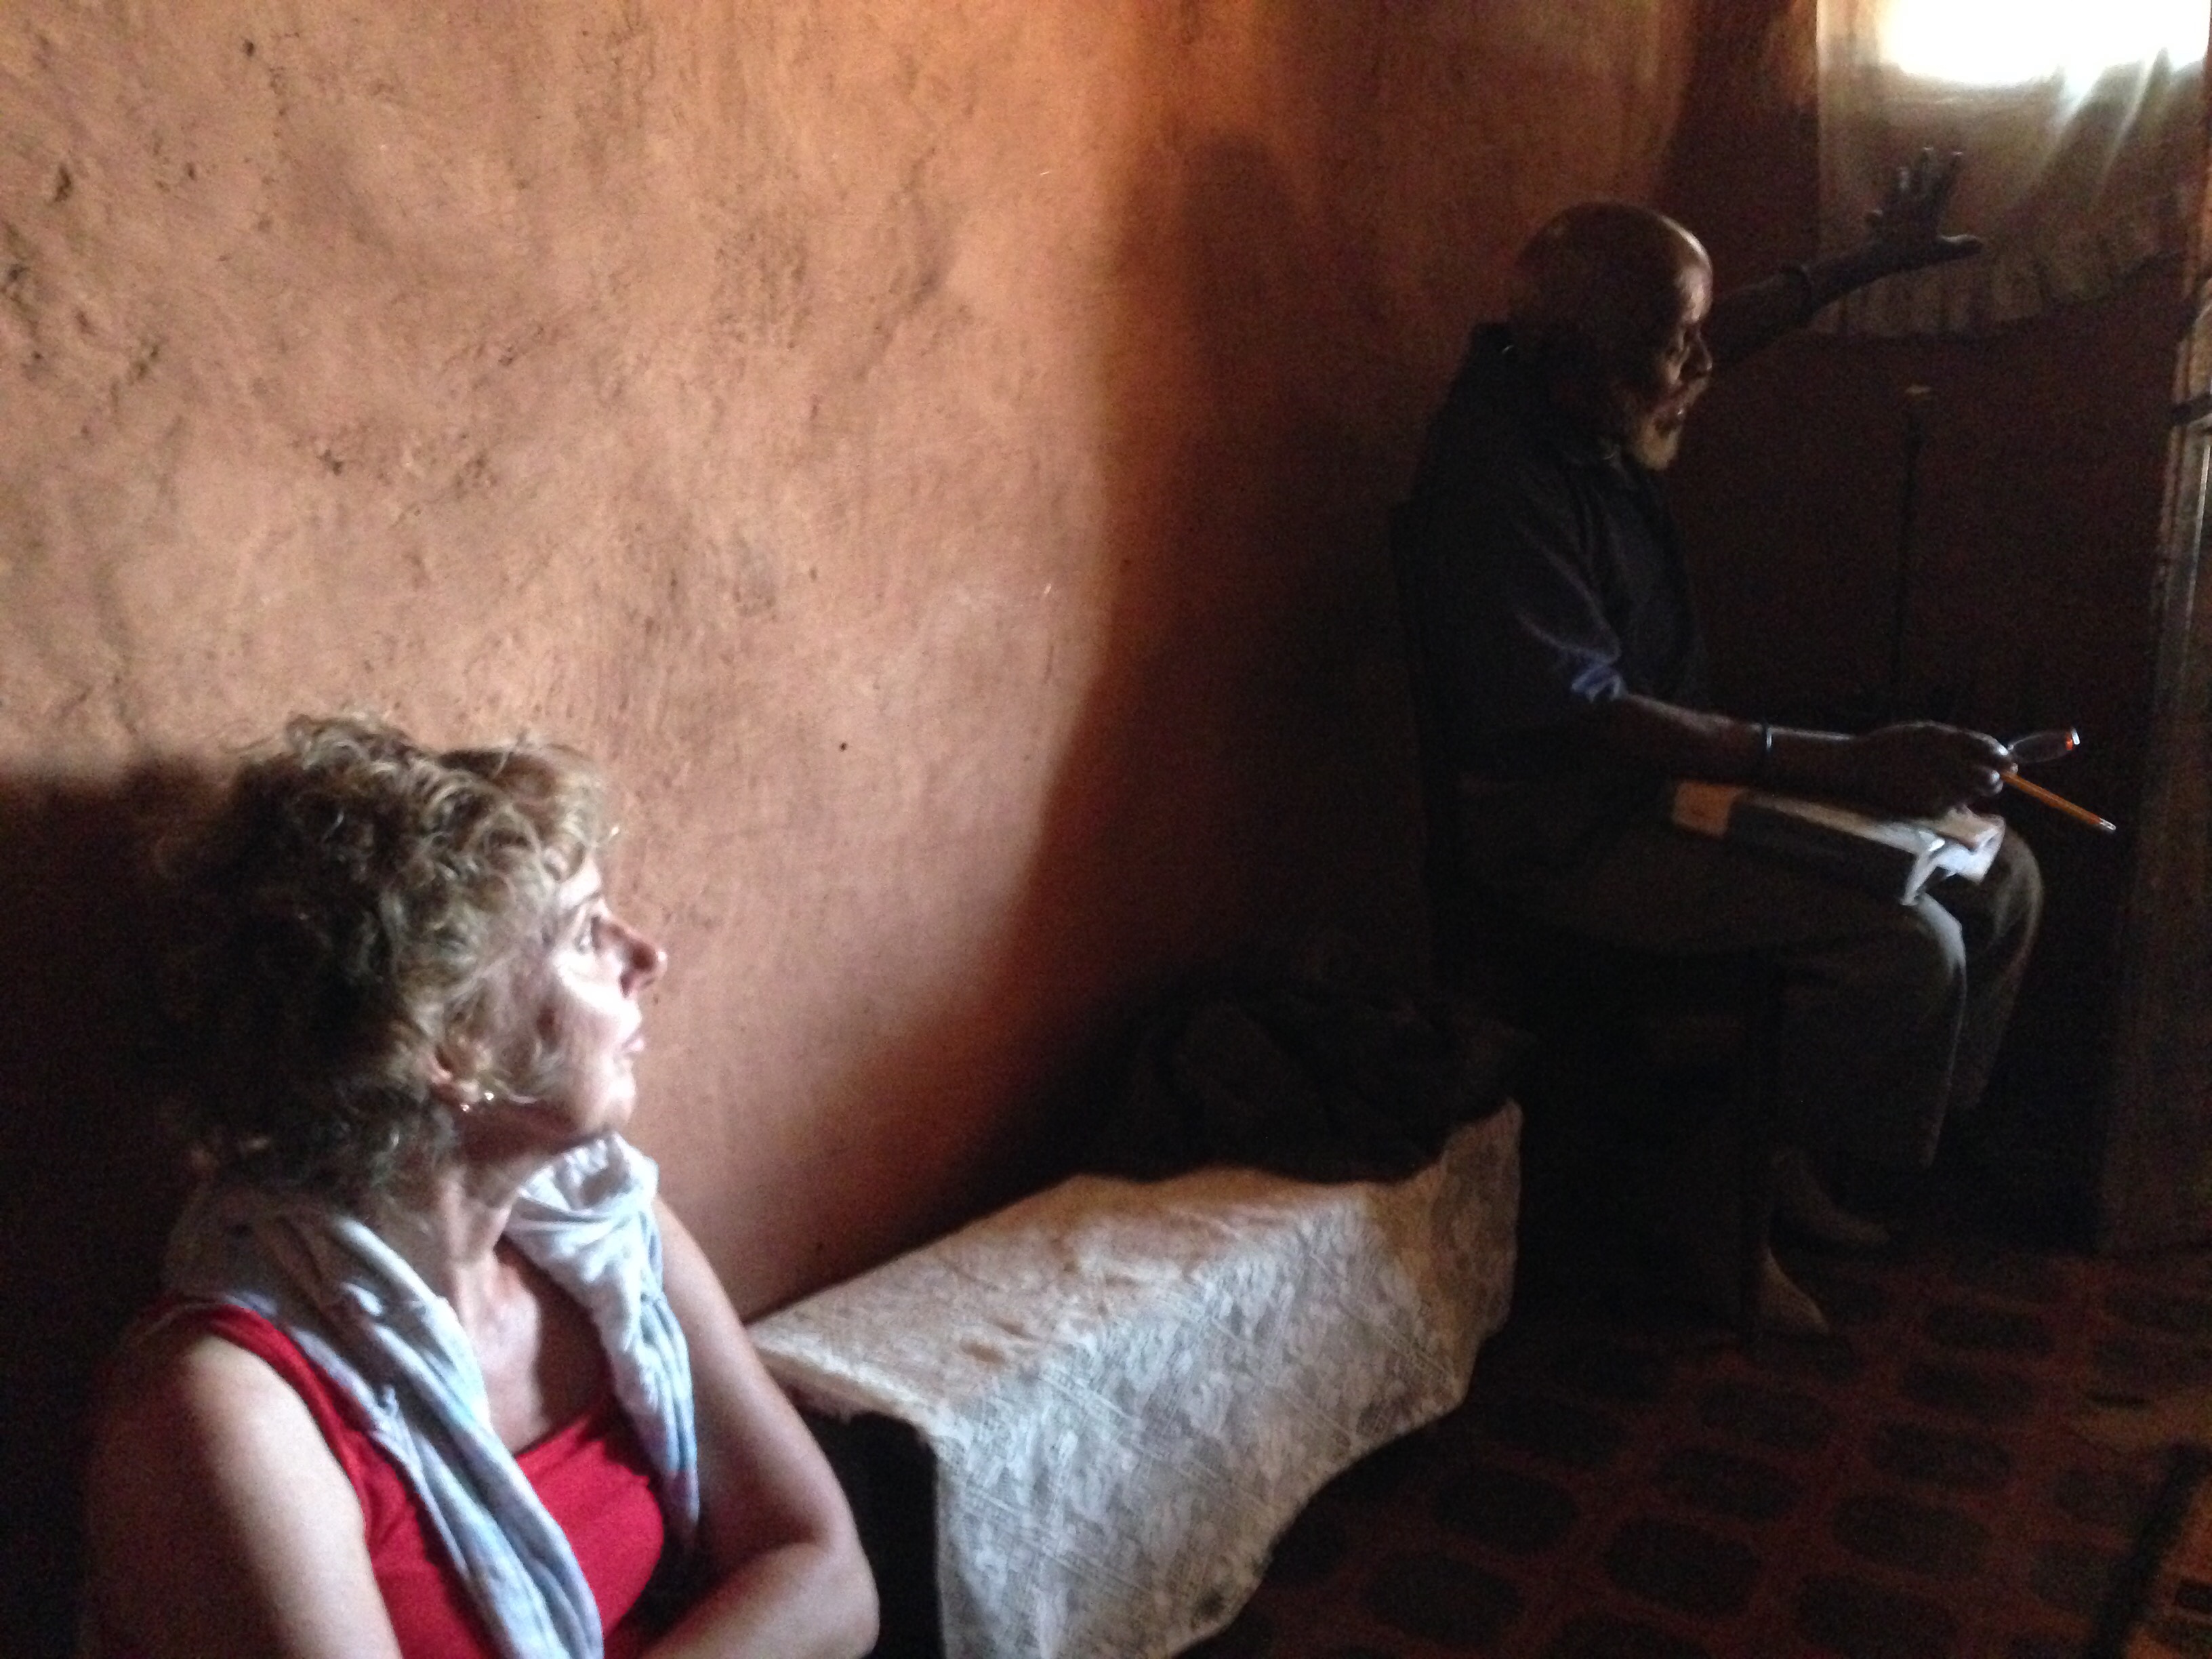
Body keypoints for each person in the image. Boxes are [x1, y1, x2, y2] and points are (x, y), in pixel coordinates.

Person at [1399, 153, 2043, 1332]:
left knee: (2002, 877)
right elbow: (1587, 717)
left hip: (1673, 793)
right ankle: (1710, 1198)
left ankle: (1794, 1147)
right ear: (1578, 362)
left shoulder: (1587, 384)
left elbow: (1707, 334)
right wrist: (1842, 763)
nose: (1700, 367)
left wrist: (1855, 268)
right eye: (1675, 347)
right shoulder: (1495, 481)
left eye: (1693, 336)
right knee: (1909, 950)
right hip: (1572, 834)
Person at [80, 716, 878, 1658]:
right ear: (449, 1048)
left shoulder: (601, 1230)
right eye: (583, 935)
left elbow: (826, 1572)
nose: (645, 956)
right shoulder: (229, 1415)